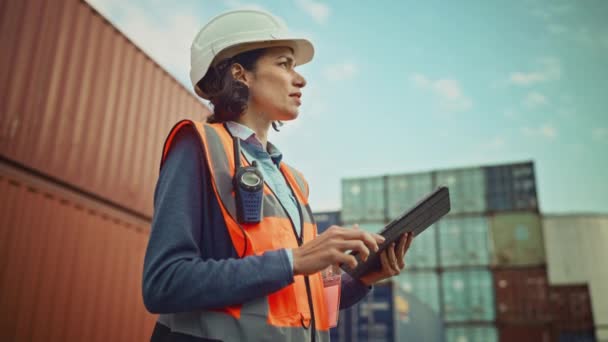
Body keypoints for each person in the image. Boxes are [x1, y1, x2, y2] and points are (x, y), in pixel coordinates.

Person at [142, 9, 414, 342]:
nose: (300, 79)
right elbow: (163, 283)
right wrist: (296, 259)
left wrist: (362, 279)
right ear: (241, 74)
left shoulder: (292, 181)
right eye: (284, 64)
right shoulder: (199, 147)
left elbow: (298, 307)